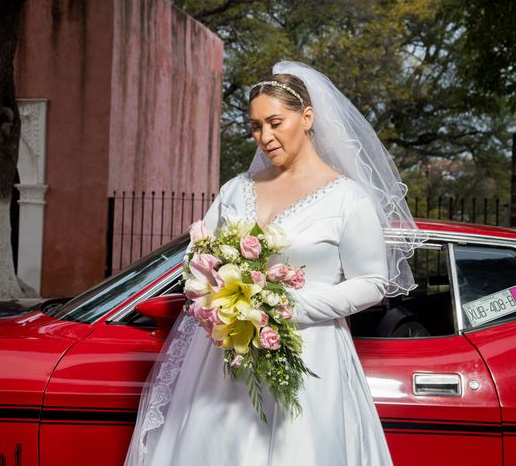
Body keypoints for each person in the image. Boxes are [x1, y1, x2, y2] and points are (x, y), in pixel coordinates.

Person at [124, 61, 428, 465]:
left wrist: (281, 308)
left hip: (310, 357)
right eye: (255, 126)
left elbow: (372, 282)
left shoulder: (347, 199)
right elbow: (199, 262)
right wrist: (216, 298)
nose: (264, 137)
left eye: (275, 122)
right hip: (226, 362)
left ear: (306, 118)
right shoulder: (235, 190)